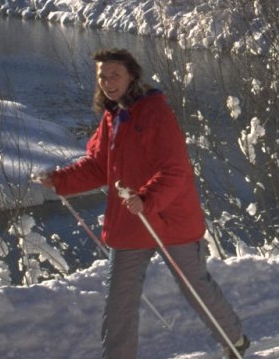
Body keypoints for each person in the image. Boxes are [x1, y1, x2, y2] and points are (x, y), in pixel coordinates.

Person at [39, 48, 250, 359]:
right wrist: (60, 180)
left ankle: (235, 341)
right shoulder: (112, 116)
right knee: (119, 300)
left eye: (115, 75)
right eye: (103, 76)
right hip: (130, 219)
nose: (108, 82)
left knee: (195, 287)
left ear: (131, 76)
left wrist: (147, 199)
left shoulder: (155, 113)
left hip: (169, 218)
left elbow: (175, 170)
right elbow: (99, 166)